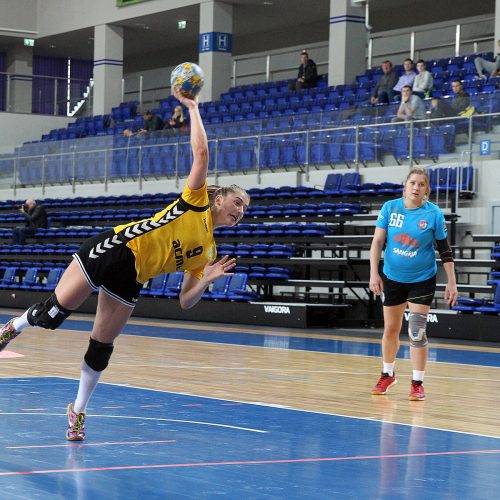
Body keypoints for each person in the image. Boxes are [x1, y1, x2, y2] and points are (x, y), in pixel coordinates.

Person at [0, 88, 250, 441]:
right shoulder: (195, 201)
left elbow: (185, 301)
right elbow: (201, 152)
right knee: (52, 316)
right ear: (219, 198)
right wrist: (192, 107)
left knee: (101, 346)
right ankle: (15, 325)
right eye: (237, 202)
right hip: (115, 248)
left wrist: (206, 279)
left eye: (244, 210)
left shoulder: (208, 251)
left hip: (133, 277)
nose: (240, 211)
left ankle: (78, 411)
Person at [369, 167, 458, 401]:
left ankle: (417, 382)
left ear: (427, 189)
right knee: (390, 329)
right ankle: (387, 374)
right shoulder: (390, 208)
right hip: (392, 277)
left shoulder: (433, 214)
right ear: (405, 186)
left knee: (416, 332)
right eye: (412, 183)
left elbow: (445, 250)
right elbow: (378, 242)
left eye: (421, 184)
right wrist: (373, 273)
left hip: (421, 279)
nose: (416, 187)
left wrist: (452, 282)